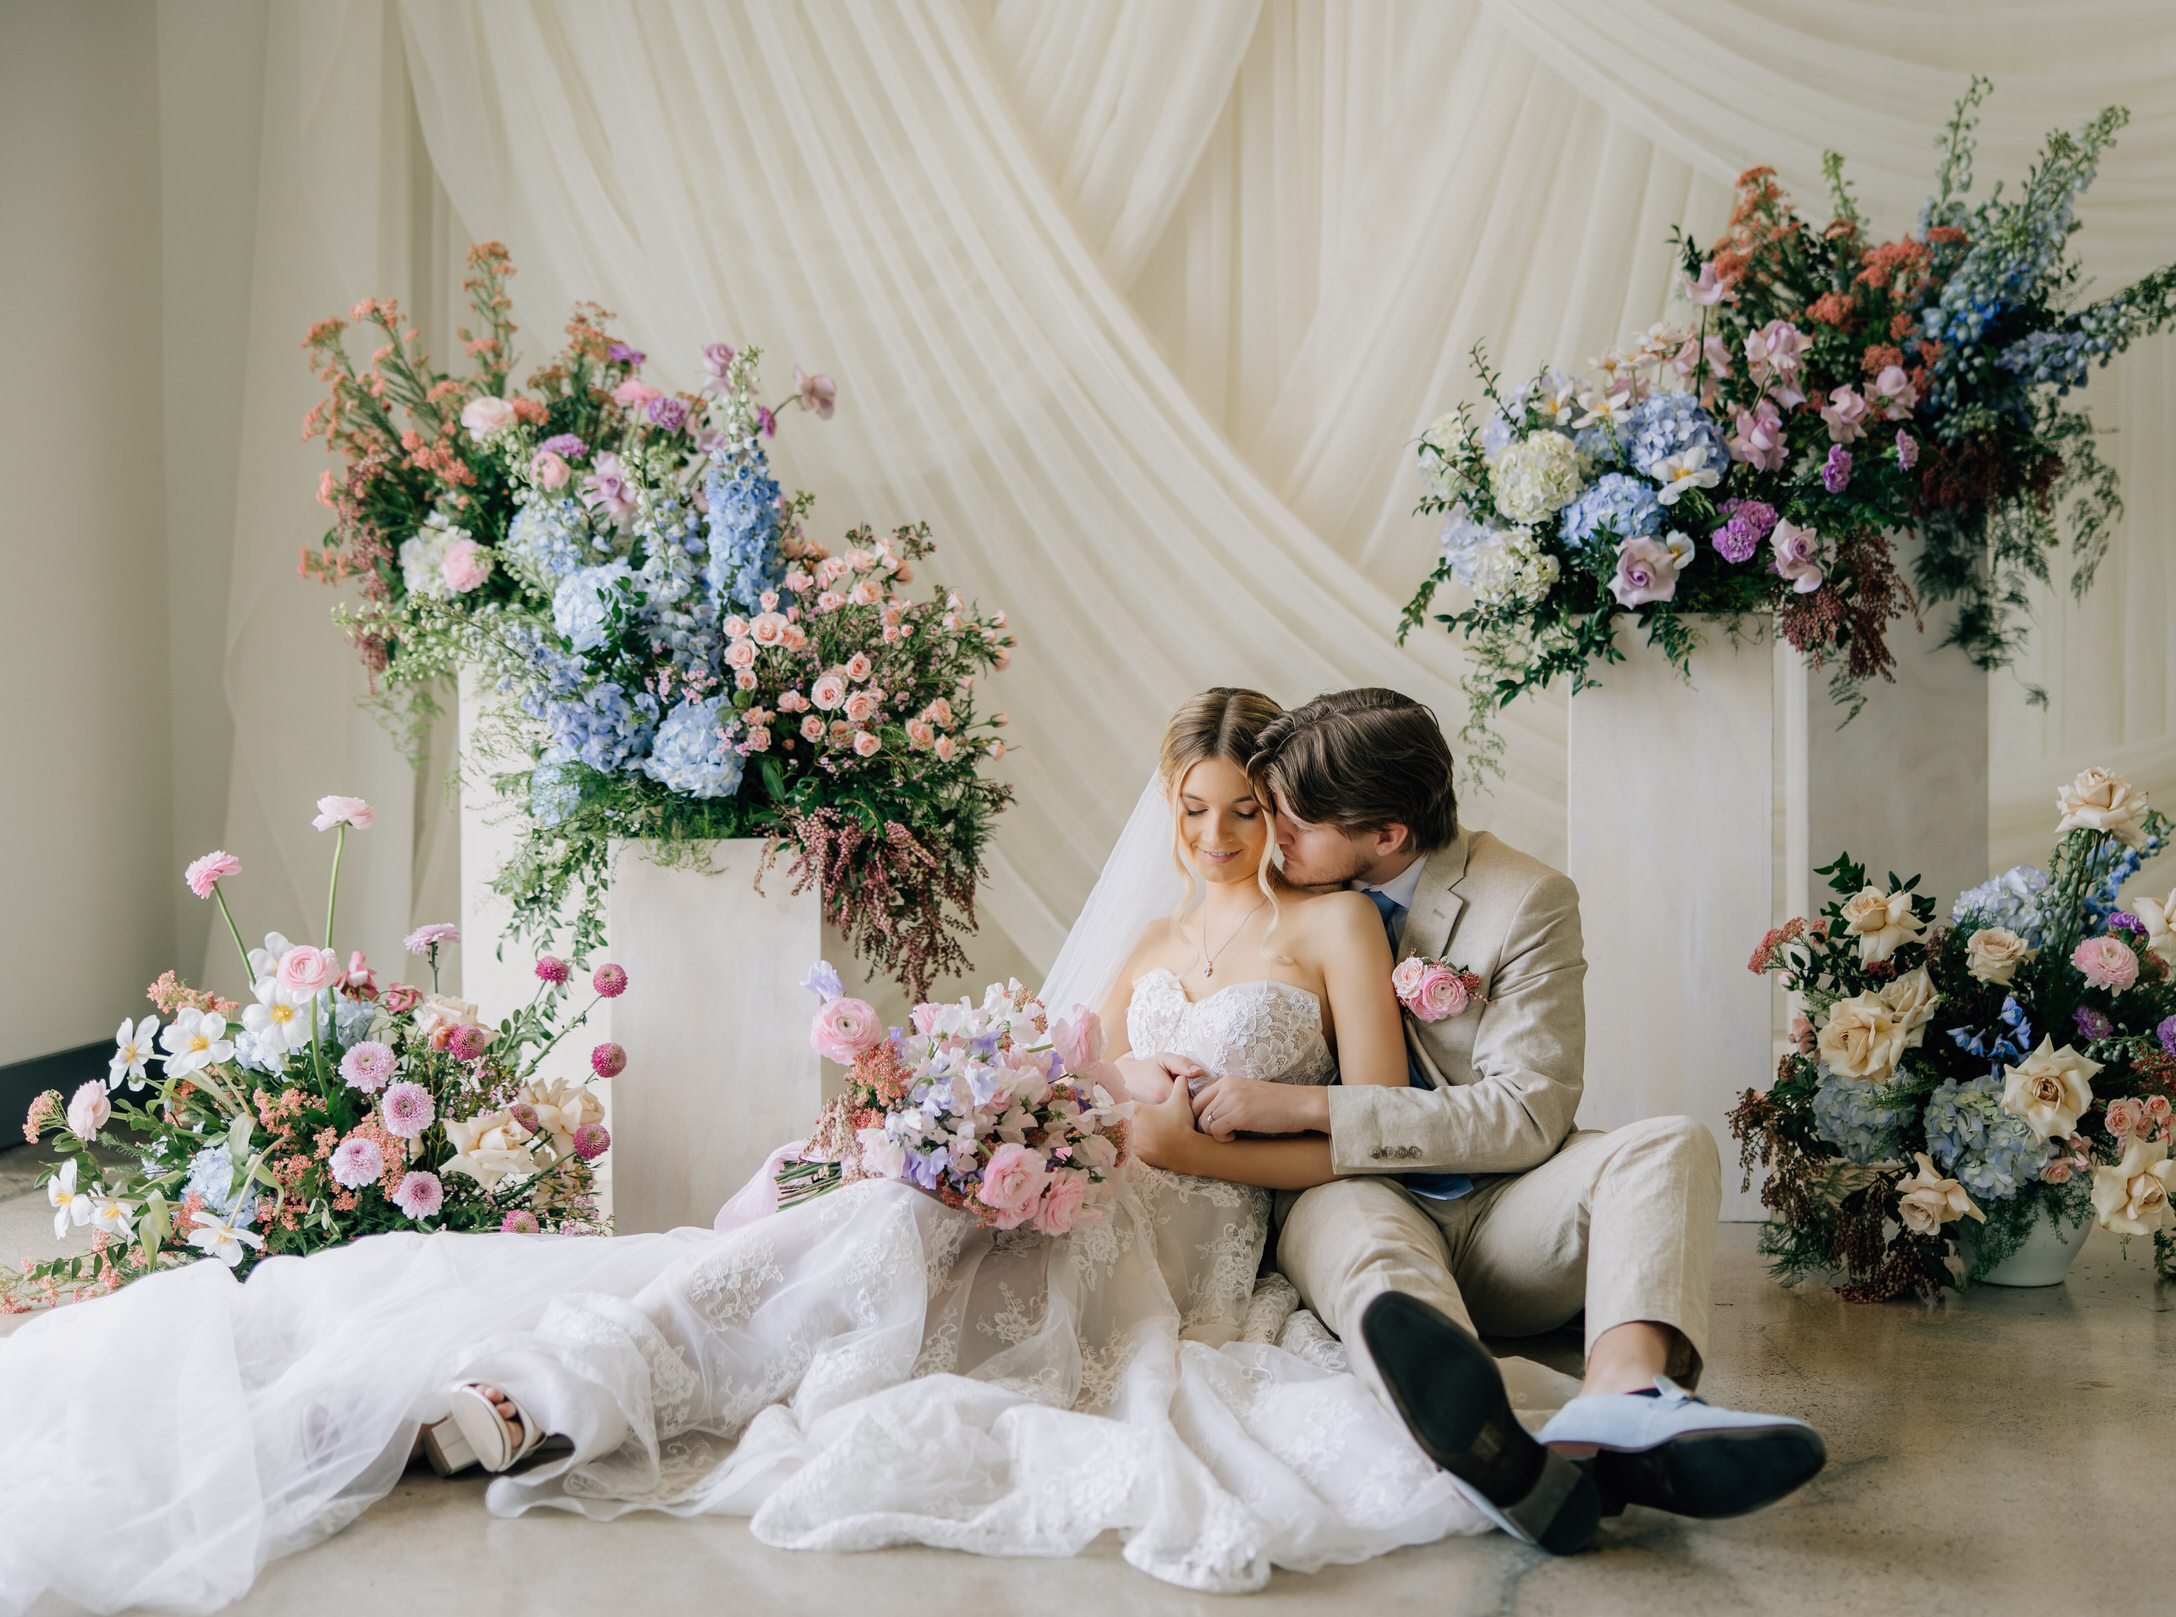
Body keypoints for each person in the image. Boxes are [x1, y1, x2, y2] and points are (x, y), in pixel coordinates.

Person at [0, 689, 1483, 1611]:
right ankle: (558, 1382)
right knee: (881, 1217)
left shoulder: (1334, 924)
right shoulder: (1158, 932)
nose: (1217, 836)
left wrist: (1189, 1143)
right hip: (1071, 1167)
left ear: (1287, 815)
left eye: (1243, 813)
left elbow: (1362, 1136)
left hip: (1188, 1240)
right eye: (1194, 810)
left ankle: (584, 1379)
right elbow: (1069, 1066)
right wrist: (994, 1116)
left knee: (903, 1252)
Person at [1139, 688, 1826, 1554]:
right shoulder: (1268, 897)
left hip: (1507, 1205)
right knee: (1364, 1241)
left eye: (1290, 821)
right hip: (1346, 1190)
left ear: (1386, 835)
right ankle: (1489, 1435)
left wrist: (1309, 1103)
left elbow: (1529, 1112)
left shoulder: (1526, 898)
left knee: (1671, 1142)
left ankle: (1625, 1396)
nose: (1267, 834)